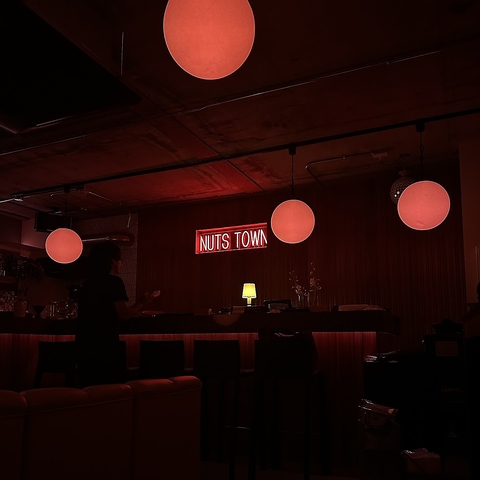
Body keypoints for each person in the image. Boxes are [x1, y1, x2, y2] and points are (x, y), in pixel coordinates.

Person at [75, 241, 160, 387]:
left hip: (84, 345)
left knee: (89, 390)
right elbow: (124, 314)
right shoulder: (113, 282)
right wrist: (142, 302)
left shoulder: (87, 283)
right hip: (104, 345)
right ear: (112, 261)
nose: (121, 263)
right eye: (120, 259)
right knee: (110, 390)